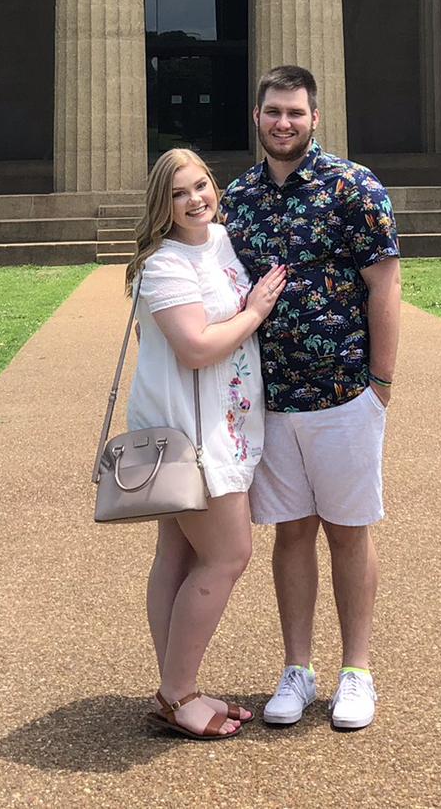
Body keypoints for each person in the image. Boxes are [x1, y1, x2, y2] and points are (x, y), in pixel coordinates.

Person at [222, 65, 401, 731]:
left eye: (295, 113)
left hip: (344, 391)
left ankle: (357, 672)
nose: (284, 123)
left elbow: (385, 285)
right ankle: (297, 669)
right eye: (273, 112)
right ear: (257, 117)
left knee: (349, 535)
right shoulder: (237, 199)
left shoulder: (353, 187)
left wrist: (380, 384)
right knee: (291, 535)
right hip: (270, 399)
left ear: (314, 118)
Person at [127, 148, 289, 741]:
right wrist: (255, 312)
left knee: (177, 553)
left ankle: (177, 686)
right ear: (161, 206)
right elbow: (195, 347)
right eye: (180, 193)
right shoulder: (164, 264)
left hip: (223, 423)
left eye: (202, 185)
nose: (197, 199)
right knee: (227, 555)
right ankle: (178, 694)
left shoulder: (218, 241)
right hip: (191, 436)